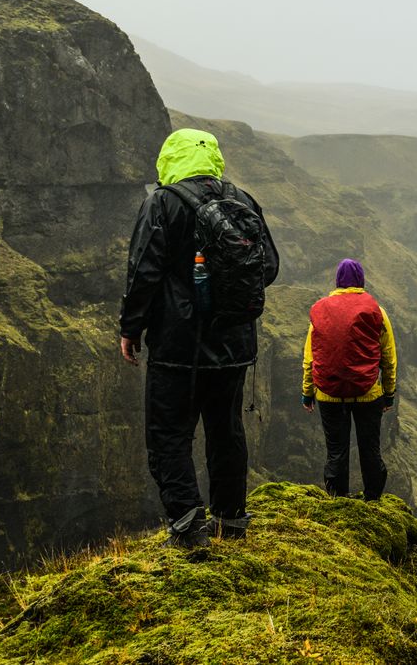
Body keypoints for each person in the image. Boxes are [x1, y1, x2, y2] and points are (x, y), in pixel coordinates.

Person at [119, 128, 279, 547]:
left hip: (178, 347)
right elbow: (270, 267)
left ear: (170, 158)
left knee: (169, 434)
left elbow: (144, 273)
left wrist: (130, 328)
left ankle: (189, 530)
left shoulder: (161, 203)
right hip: (233, 345)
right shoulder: (242, 201)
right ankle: (230, 523)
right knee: (226, 432)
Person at [301, 259, 397, 500]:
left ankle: (337, 499)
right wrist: (389, 392)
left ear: (337, 281)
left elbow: (310, 357)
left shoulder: (321, 310)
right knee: (370, 449)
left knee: (336, 451)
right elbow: (388, 357)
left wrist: (307, 392)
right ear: (361, 280)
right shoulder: (377, 310)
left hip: (329, 394)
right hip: (368, 394)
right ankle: (373, 499)